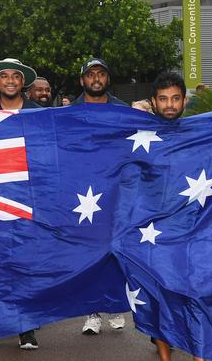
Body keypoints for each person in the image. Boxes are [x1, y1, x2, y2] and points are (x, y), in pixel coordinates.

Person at [0, 58, 40, 350]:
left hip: (31, 198)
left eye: (16, 76)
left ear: (23, 81)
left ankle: (26, 325)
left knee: (26, 263)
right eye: (5, 76)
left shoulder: (43, 113)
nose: (11, 80)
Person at [148, 71, 206, 361]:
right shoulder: (139, 134)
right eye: (163, 99)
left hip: (192, 231)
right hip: (153, 233)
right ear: (153, 102)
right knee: (160, 298)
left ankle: (199, 353)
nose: (169, 104)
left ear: (184, 101)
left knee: (195, 295)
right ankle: (165, 356)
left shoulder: (199, 133)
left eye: (175, 98)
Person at [73, 57, 128, 336]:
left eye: (101, 74)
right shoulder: (69, 112)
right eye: (91, 74)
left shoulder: (123, 110)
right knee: (89, 250)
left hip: (115, 189)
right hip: (80, 193)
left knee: (115, 249)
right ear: (83, 80)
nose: (96, 79)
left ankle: (116, 304)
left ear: (108, 79)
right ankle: (92, 311)